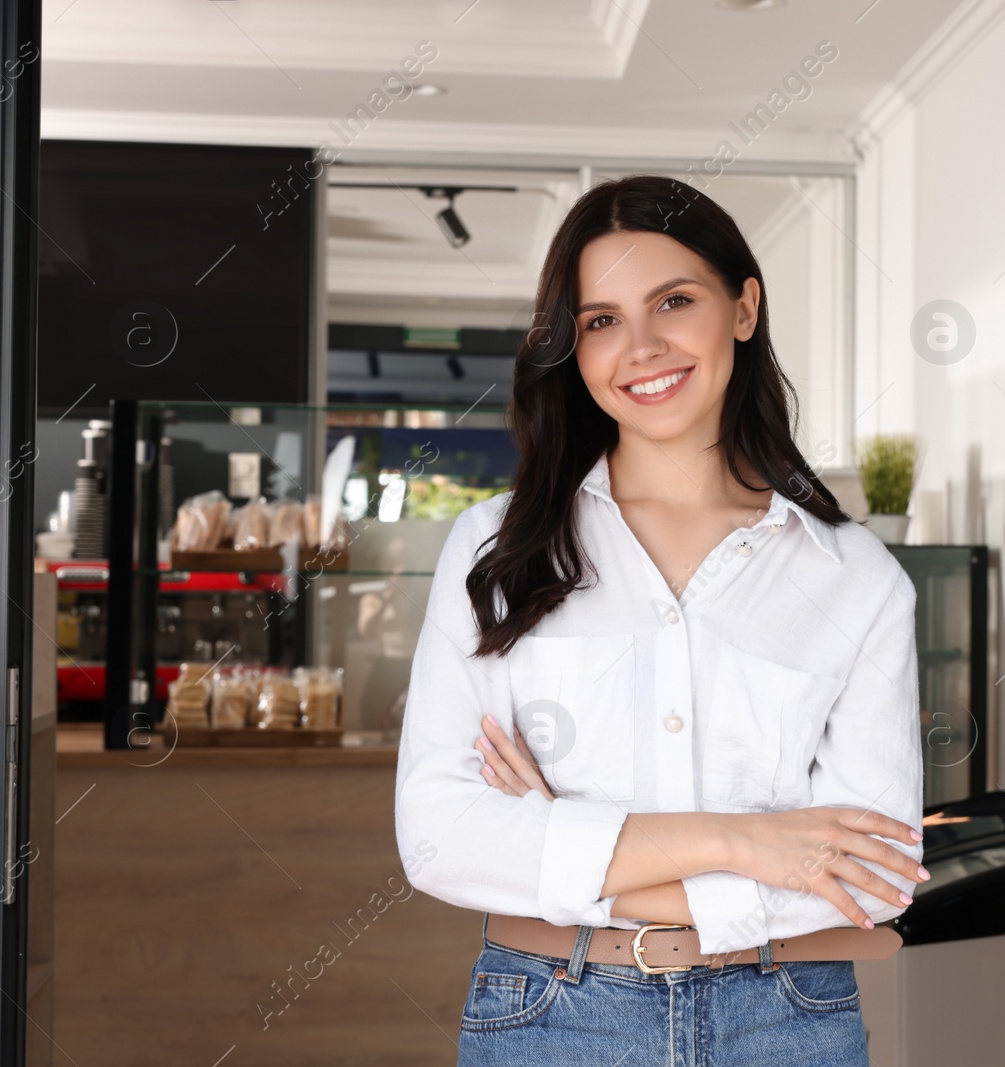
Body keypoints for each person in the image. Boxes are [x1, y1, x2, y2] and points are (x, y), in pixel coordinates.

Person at [394, 174, 927, 1066]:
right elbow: (441, 838)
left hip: (787, 1017)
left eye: (673, 301)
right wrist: (745, 841)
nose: (640, 347)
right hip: (550, 1016)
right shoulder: (495, 549)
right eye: (601, 320)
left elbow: (871, 877)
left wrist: (564, 845)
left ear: (744, 308)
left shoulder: (856, 579)